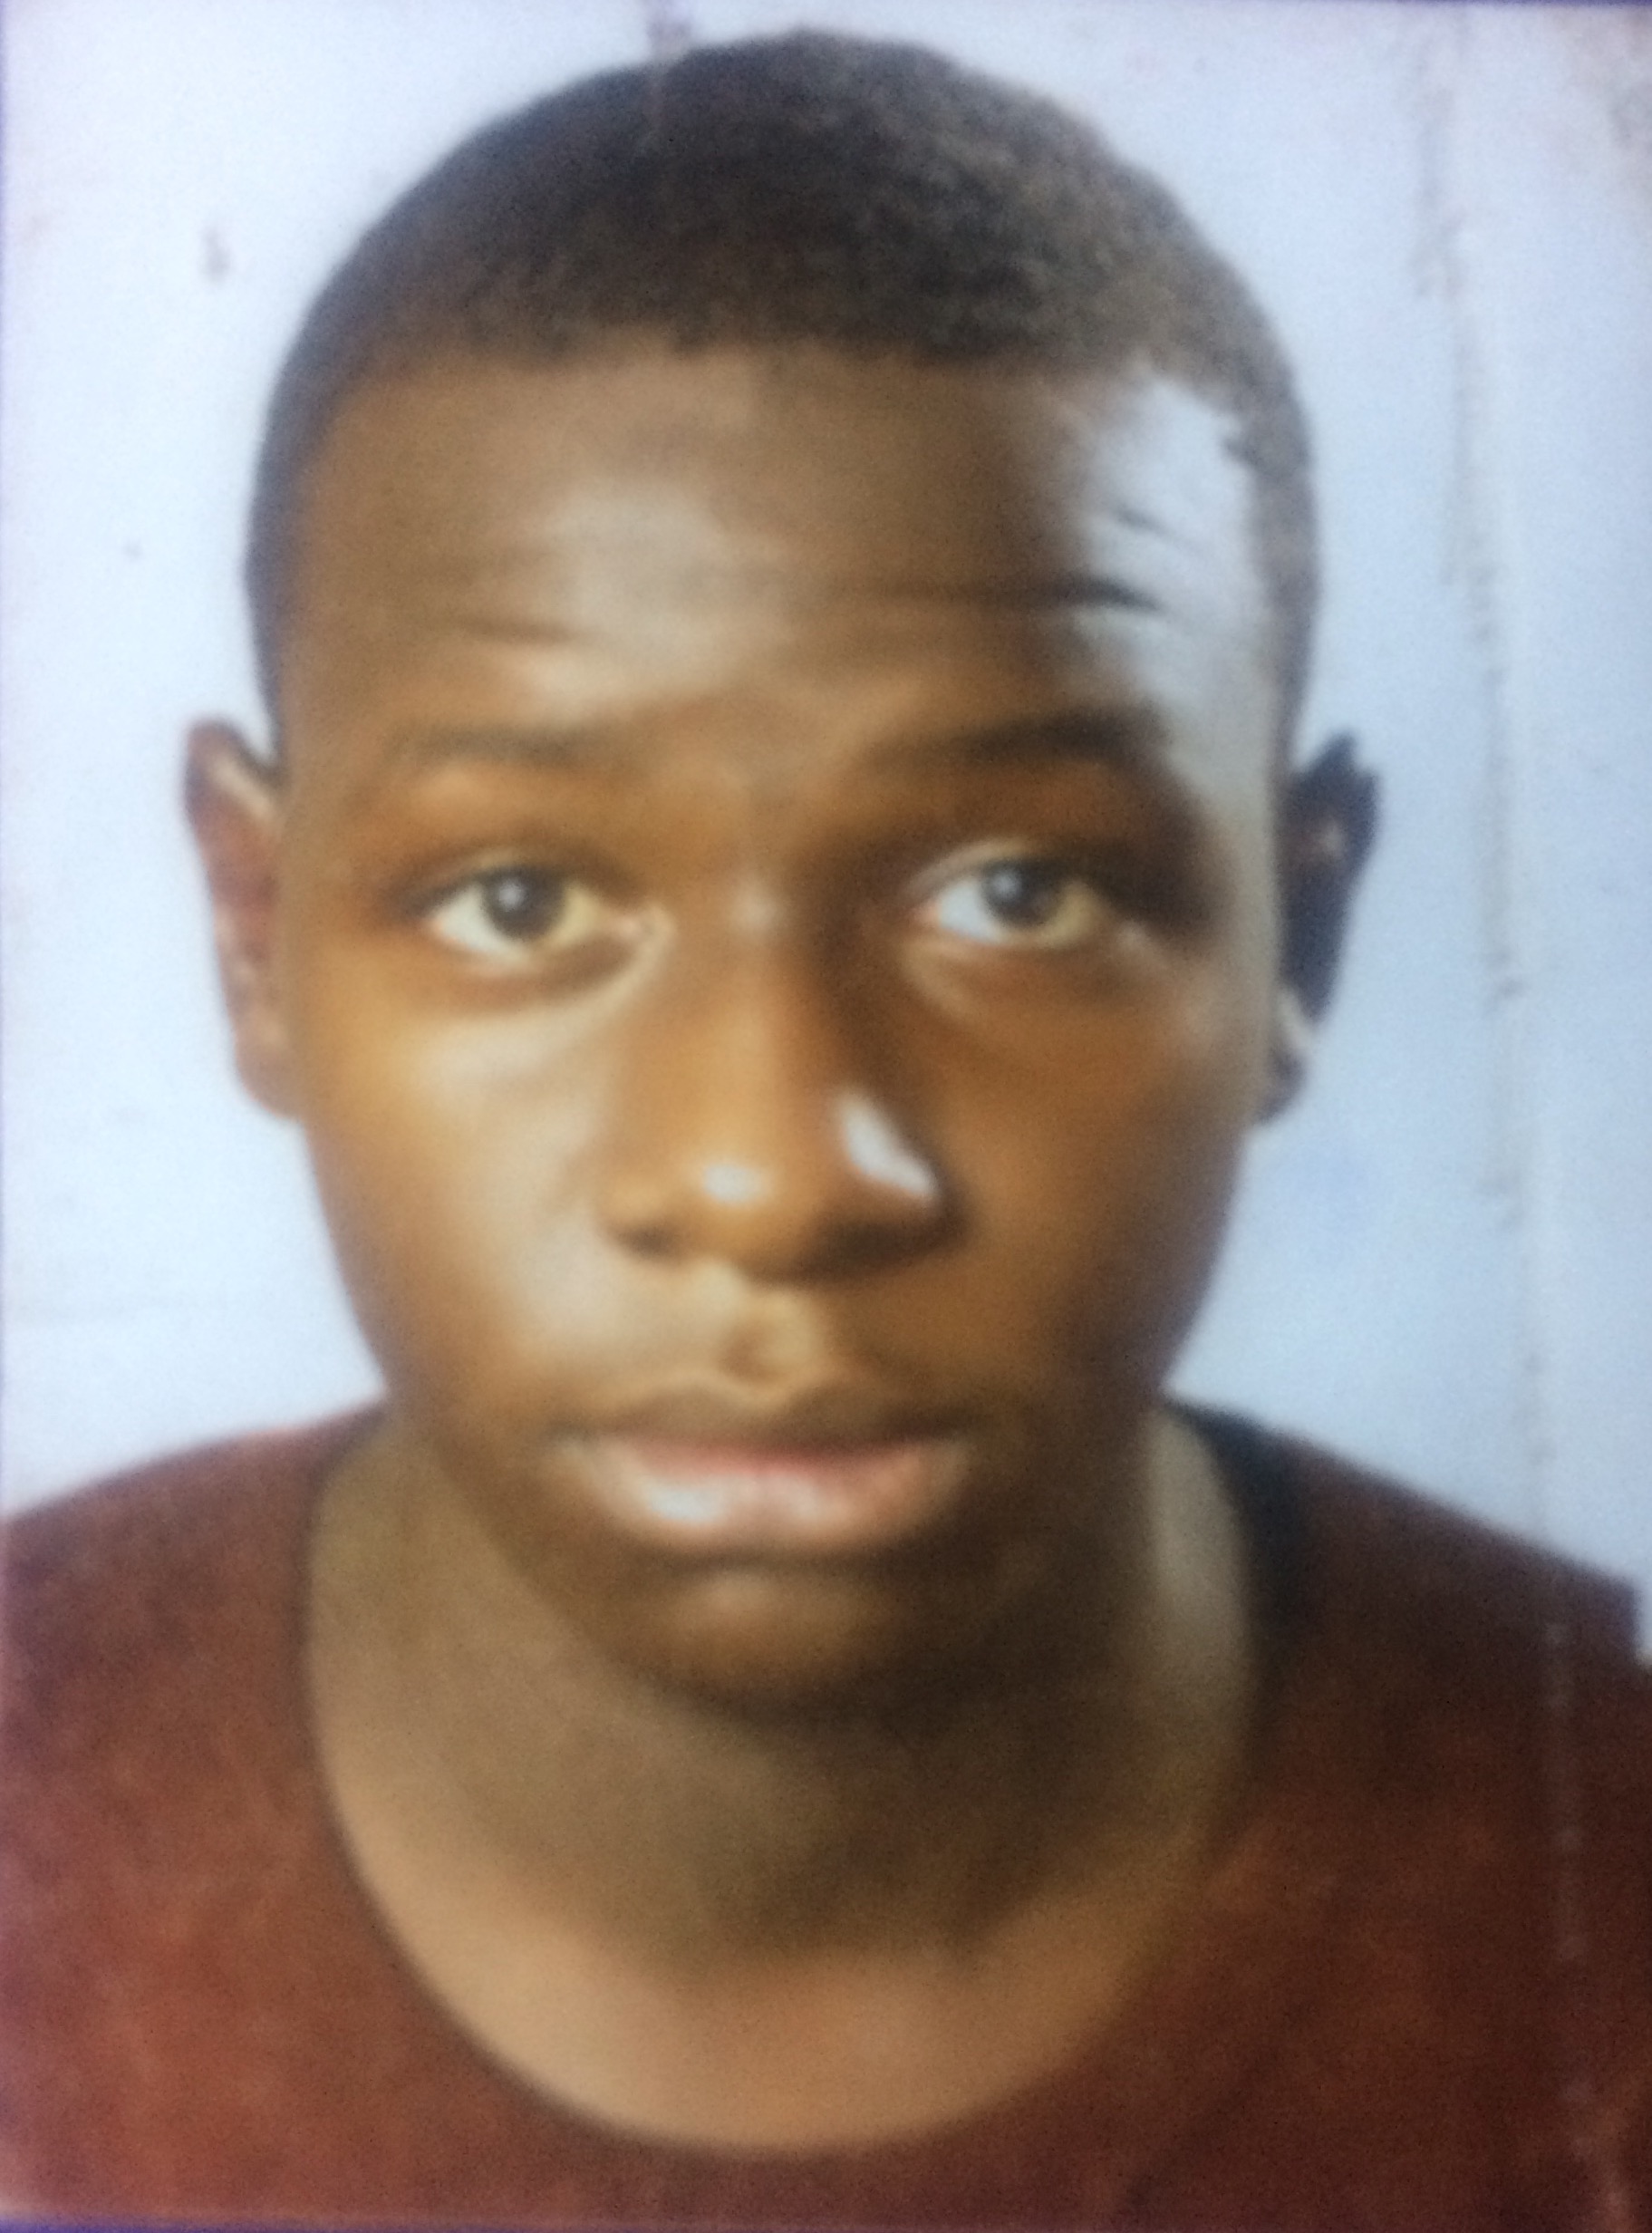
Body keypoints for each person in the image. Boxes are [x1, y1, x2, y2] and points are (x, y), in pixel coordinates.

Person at [2, 30, 1647, 2228]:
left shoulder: (1594, 1863)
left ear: (1299, 938)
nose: (773, 1178)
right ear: (254, 935)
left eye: (1022, 893)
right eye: (521, 900)